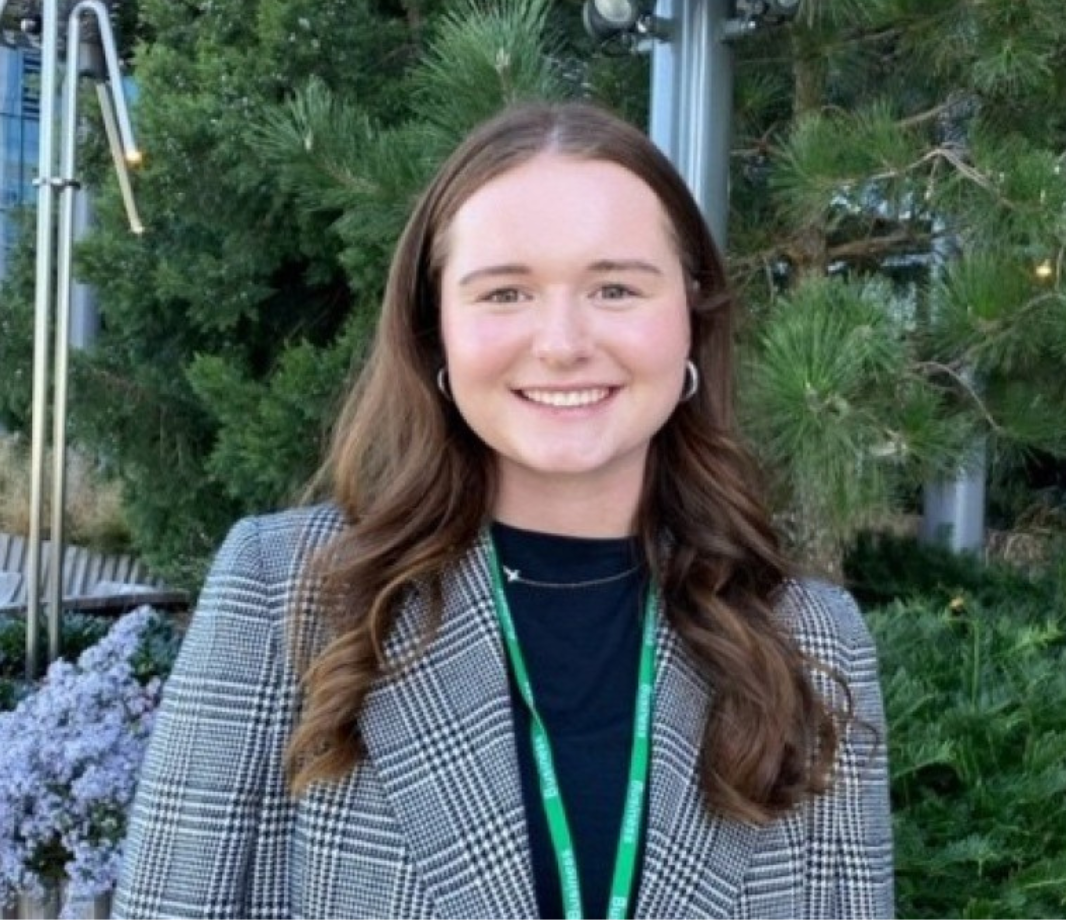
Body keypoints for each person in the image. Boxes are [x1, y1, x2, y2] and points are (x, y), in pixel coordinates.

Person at [112, 101, 893, 920]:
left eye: (617, 287)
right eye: (506, 292)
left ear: (691, 321)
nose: (561, 342)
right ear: (435, 329)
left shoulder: (805, 640)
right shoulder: (291, 594)